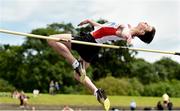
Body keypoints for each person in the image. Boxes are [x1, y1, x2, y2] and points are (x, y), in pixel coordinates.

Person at [47, 19, 156, 110]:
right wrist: (91, 22)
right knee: (78, 75)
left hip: (89, 39)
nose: (146, 22)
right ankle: (97, 93)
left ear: (142, 32)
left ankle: (76, 64)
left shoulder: (127, 31)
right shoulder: (127, 27)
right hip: (95, 45)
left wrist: (127, 37)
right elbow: (105, 28)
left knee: (51, 39)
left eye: (147, 25)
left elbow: (124, 34)